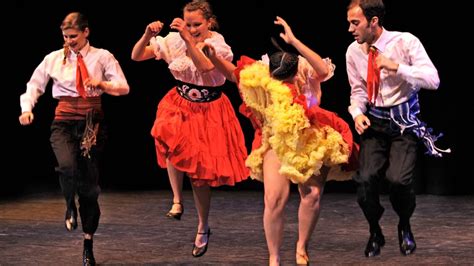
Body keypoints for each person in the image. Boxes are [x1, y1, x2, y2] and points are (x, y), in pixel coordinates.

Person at [204, 16, 358, 266]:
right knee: (274, 199)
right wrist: (212, 57)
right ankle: (274, 257)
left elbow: (322, 71)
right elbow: (234, 74)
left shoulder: (304, 69)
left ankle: (301, 247)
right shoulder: (262, 75)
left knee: (312, 194)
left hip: (307, 136)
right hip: (276, 139)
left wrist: (294, 41)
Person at [131, 0, 248, 257]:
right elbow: (136, 55)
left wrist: (187, 38)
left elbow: (206, 67)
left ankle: (203, 226)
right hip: (180, 103)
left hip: (209, 111)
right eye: (189, 24)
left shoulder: (217, 45)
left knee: (198, 176)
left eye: (198, 24)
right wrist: (148, 35)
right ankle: (177, 200)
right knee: (168, 141)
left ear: (209, 23)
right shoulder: (174, 40)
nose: (193, 29)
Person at [18, 12, 130, 266]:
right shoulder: (54, 58)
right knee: (67, 166)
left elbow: (123, 87)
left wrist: (102, 83)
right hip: (64, 122)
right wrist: (27, 109)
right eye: (66, 37)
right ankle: (70, 206)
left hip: (92, 124)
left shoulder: (102, 56)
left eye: (74, 36)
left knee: (89, 188)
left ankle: (88, 243)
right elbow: (34, 85)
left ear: (86, 32)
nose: (69, 41)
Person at [345, 0, 450, 257]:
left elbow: (433, 79)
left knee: (399, 181)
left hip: (403, 122)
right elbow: (358, 90)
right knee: (365, 181)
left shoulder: (405, 42)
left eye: (355, 22)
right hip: (375, 122)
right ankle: (375, 230)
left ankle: (404, 224)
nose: (350, 29)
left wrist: (396, 67)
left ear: (374, 21)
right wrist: (357, 113)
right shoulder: (353, 52)